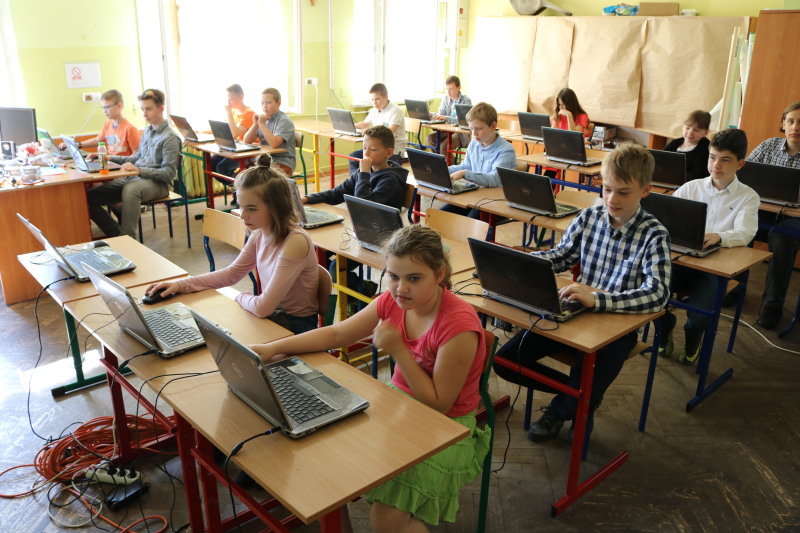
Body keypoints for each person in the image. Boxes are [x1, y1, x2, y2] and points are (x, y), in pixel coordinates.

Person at [250, 224, 490, 532]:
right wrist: (273, 348)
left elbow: (440, 405)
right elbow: (337, 334)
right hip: (397, 406)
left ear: (439, 274)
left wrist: (398, 350)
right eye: (393, 276)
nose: (401, 288)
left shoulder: (458, 326)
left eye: (414, 278)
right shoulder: (393, 300)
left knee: (386, 522)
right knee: (321, 466)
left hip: (447, 427)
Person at [493, 143, 671, 442]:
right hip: (571, 312)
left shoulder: (654, 235)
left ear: (645, 190)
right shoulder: (590, 217)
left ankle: (563, 408)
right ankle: (579, 399)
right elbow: (562, 255)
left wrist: (599, 299)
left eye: (623, 192)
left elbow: (658, 294)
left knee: (589, 378)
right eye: (607, 189)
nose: (611, 199)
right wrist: (523, 262)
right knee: (506, 361)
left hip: (617, 328)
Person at [145, 153, 319, 335]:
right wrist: (180, 285)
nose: (243, 215)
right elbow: (232, 274)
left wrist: (239, 296)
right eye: (241, 206)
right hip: (274, 317)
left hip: (296, 328)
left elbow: (262, 308)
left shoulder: (295, 241)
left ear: (277, 207)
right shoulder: (260, 232)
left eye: (252, 209)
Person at [658, 129, 759, 364]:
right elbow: (667, 220)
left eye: (725, 160)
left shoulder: (748, 197)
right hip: (681, 262)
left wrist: (719, 237)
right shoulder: (690, 188)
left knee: (698, 319)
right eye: (713, 157)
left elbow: (746, 233)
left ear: (740, 164)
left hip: (714, 271)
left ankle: (693, 336)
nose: (716, 165)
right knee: (651, 295)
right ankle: (665, 327)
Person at [87, 89, 180, 239]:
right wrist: (108, 158)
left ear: (161, 109)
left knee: (131, 189)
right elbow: (137, 157)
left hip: (158, 184)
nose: (144, 114)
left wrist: (139, 170)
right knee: (88, 197)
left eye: (148, 109)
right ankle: (117, 235)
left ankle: (128, 238)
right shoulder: (148, 131)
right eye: (142, 109)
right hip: (136, 178)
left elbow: (168, 174)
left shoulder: (170, 137)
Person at [748, 101, 800, 329]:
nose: (795, 127)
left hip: (794, 219)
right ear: (783, 124)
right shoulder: (768, 145)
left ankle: (772, 307)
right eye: (791, 121)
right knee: (742, 228)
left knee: (782, 239)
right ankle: (732, 288)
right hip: (763, 211)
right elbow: (745, 175)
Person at [440, 102, 517, 218]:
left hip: (497, 202)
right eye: (471, 129)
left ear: (493, 126)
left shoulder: (506, 150)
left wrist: (465, 173)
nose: (474, 133)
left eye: (479, 128)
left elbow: (494, 179)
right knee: (441, 215)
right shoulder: (474, 143)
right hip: (475, 195)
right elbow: (465, 166)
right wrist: (442, 170)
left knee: (469, 222)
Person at [302, 125, 408, 209]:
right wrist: (306, 199)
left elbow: (362, 206)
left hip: (382, 228)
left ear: (389, 153)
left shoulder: (391, 180)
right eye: (364, 148)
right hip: (365, 223)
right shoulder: (363, 171)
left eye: (373, 149)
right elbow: (337, 193)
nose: (366, 154)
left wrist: (364, 174)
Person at [60, 89, 140, 156]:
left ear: (119, 106)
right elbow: (98, 140)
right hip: (111, 162)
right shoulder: (108, 124)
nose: (104, 111)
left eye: (107, 107)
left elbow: (136, 154)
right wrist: (75, 144)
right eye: (103, 108)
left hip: (123, 166)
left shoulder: (130, 129)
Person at [349, 83, 407, 173]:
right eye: (372, 100)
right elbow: (365, 123)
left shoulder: (396, 111)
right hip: (375, 146)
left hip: (393, 148)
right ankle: (359, 179)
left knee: (374, 161)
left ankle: (368, 178)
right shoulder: (374, 110)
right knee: (353, 157)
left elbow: (390, 132)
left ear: (386, 97)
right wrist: (349, 125)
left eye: (377, 99)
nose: (374, 103)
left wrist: (368, 131)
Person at [242, 87, 296, 176]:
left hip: (283, 161)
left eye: (268, 102)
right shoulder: (263, 119)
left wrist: (262, 124)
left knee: (255, 178)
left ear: (278, 103)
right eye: (262, 103)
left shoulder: (284, 120)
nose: (265, 106)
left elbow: (274, 144)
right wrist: (255, 124)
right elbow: (246, 140)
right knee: (240, 176)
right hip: (264, 160)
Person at [211, 83, 257, 181]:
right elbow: (225, 129)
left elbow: (234, 133)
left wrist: (228, 112)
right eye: (228, 99)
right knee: (211, 163)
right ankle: (235, 186)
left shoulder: (249, 114)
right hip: (237, 148)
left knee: (221, 168)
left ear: (241, 97)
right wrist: (202, 131)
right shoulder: (234, 112)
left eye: (231, 99)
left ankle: (238, 187)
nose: (229, 103)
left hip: (248, 151)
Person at [425, 75, 472, 155]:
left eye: (451, 89)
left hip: (461, 134)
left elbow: (464, 120)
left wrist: (446, 118)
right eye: (446, 89)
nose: (448, 92)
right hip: (447, 131)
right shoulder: (445, 99)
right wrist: (432, 115)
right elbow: (441, 115)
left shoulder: (466, 101)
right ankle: (442, 160)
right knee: (430, 139)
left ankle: (446, 162)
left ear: (459, 87)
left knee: (444, 147)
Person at [663, 110, 711, 182]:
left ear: (705, 132)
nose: (690, 133)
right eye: (687, 128)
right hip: (666, 180)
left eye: (696, 130)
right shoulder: (675, 143)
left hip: (689, 185)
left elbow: (699, 175)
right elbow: (661, 160)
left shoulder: (705, 149)